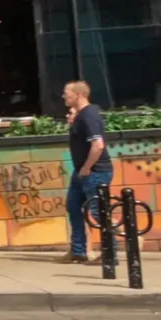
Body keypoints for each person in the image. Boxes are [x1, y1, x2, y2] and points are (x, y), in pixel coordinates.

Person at [63, 80, 110, 263]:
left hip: (94, 171)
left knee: (99, 213)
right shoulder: (81, 115)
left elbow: (97, 146)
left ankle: (109, 253)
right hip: (82, 171)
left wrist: (86, 168)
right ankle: (78, 251)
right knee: (73, 207)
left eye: (67, 92)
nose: (63, 96)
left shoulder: (89, 115)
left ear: (79, 95)